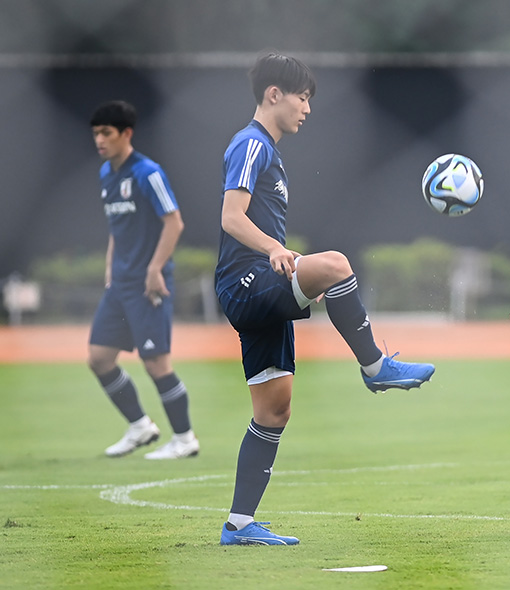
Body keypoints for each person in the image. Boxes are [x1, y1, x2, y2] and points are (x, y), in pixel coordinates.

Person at [215, 53, 435, 546]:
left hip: (257, 291)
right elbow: (232, 216)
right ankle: (375, 367)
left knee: (274, 411)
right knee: (336, 264)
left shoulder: (267, 149)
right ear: (274, 94)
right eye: (303, 97)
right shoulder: (251, 144)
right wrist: (274, 247)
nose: (308, 109)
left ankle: (240, 525)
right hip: (246, 284)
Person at [87, 100, 199, 460]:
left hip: (148, 286)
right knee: (99, 358)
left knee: (156, 365)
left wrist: (154, 269)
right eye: (96, 134)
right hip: (119, 285)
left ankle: (184, 439)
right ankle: (140, 426)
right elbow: (115, 231)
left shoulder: (148, 173)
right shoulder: (107, 174)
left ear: (126, 134)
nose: (100, 141)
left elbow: (174, 222)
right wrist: (110, 268)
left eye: (106, 133)